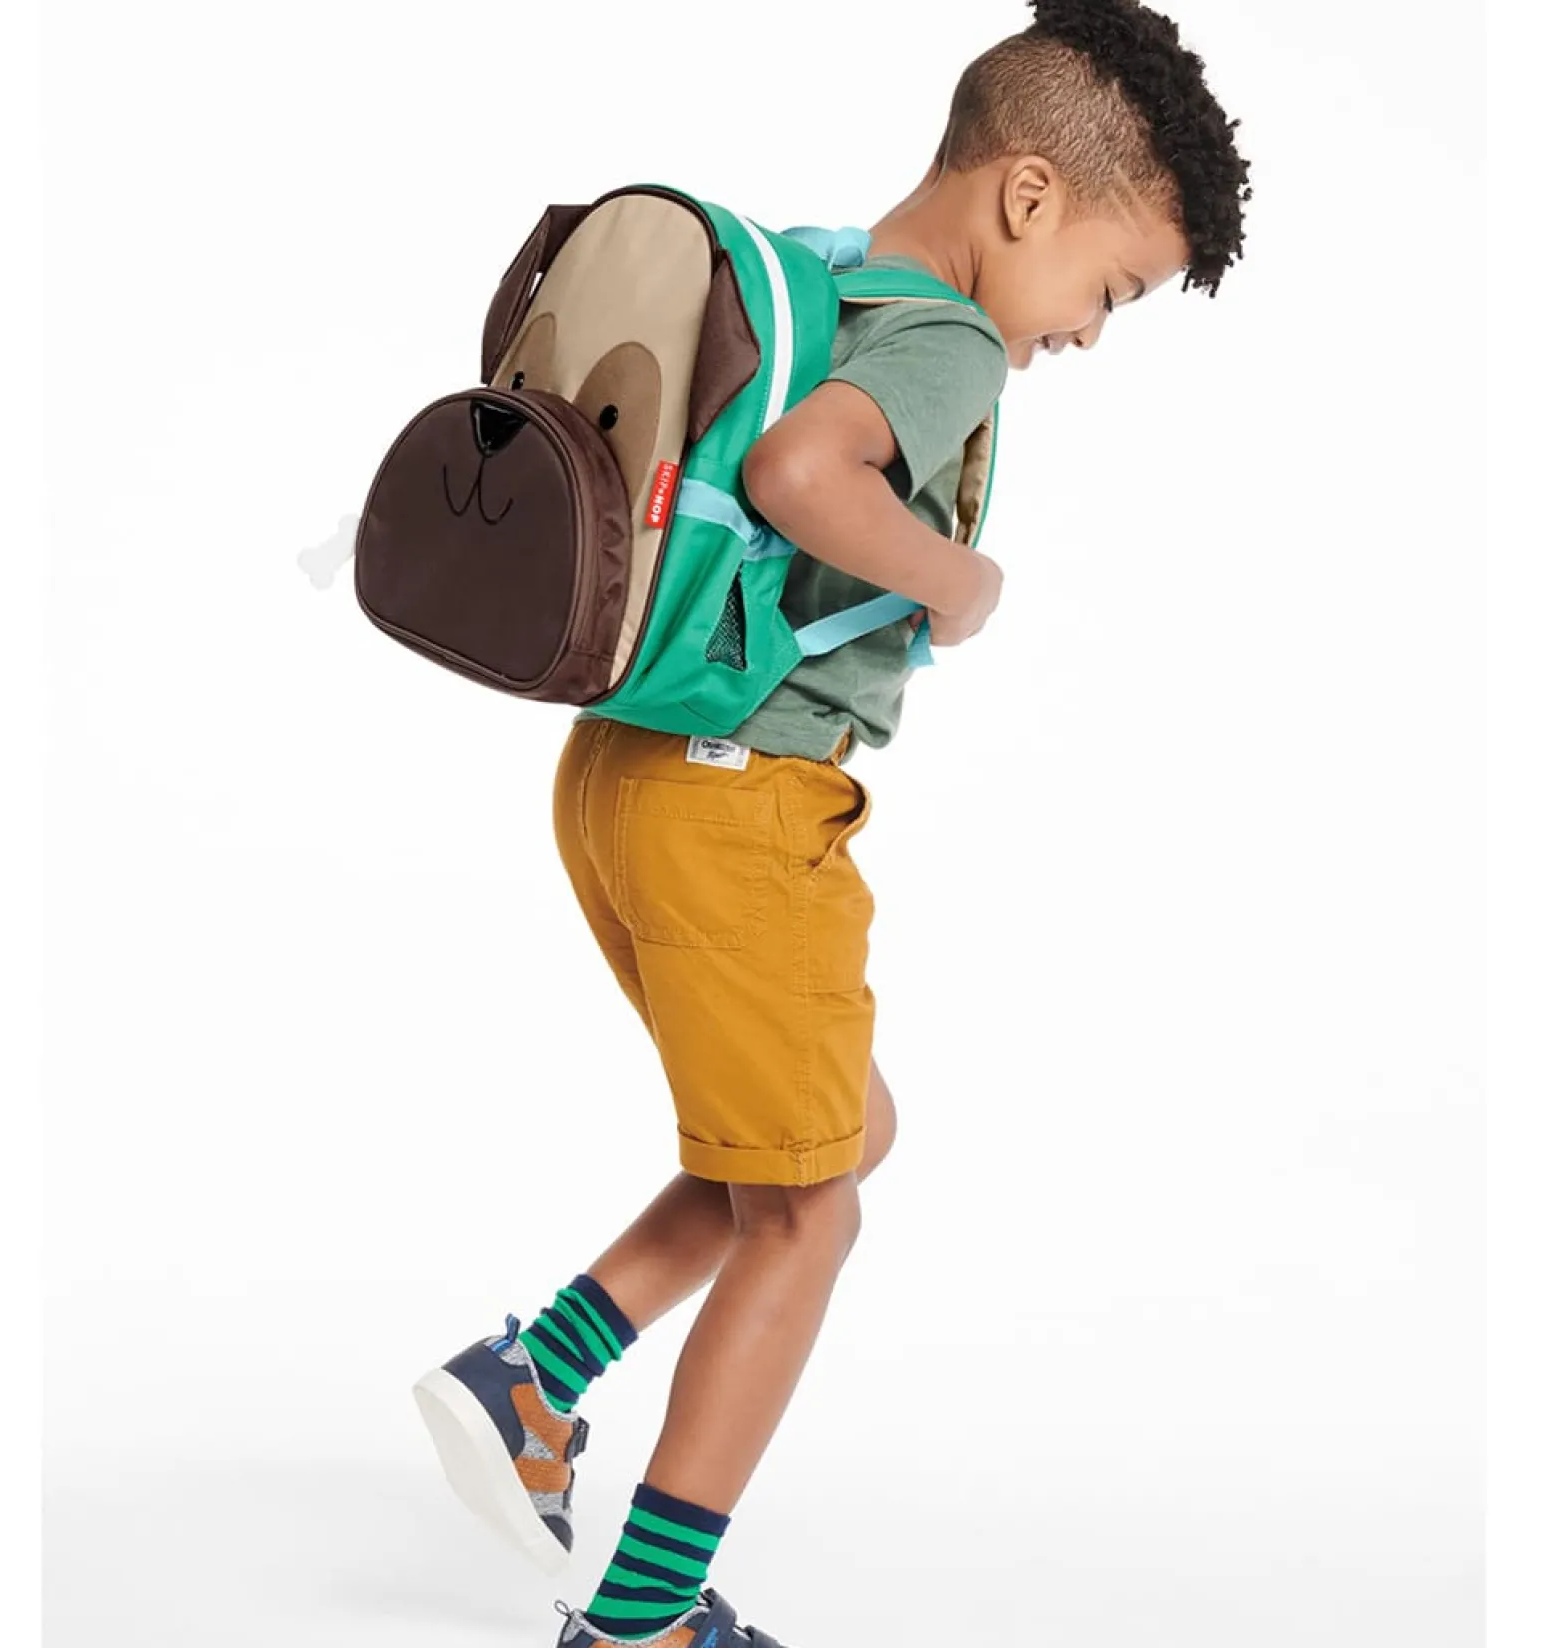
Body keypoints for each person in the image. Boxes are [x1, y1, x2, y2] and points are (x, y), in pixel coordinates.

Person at [413, 4, 1252, 1644]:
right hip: (742, 806)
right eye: (1111, 290)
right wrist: (961, 580)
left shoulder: (822, 275)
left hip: (623, 779)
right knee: (810, 1213)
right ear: (1028, 197)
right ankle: (647, 1614)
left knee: (837, 1134)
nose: (1088, 335)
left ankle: (537, 1377)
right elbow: (803, 474)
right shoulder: (942, 340)